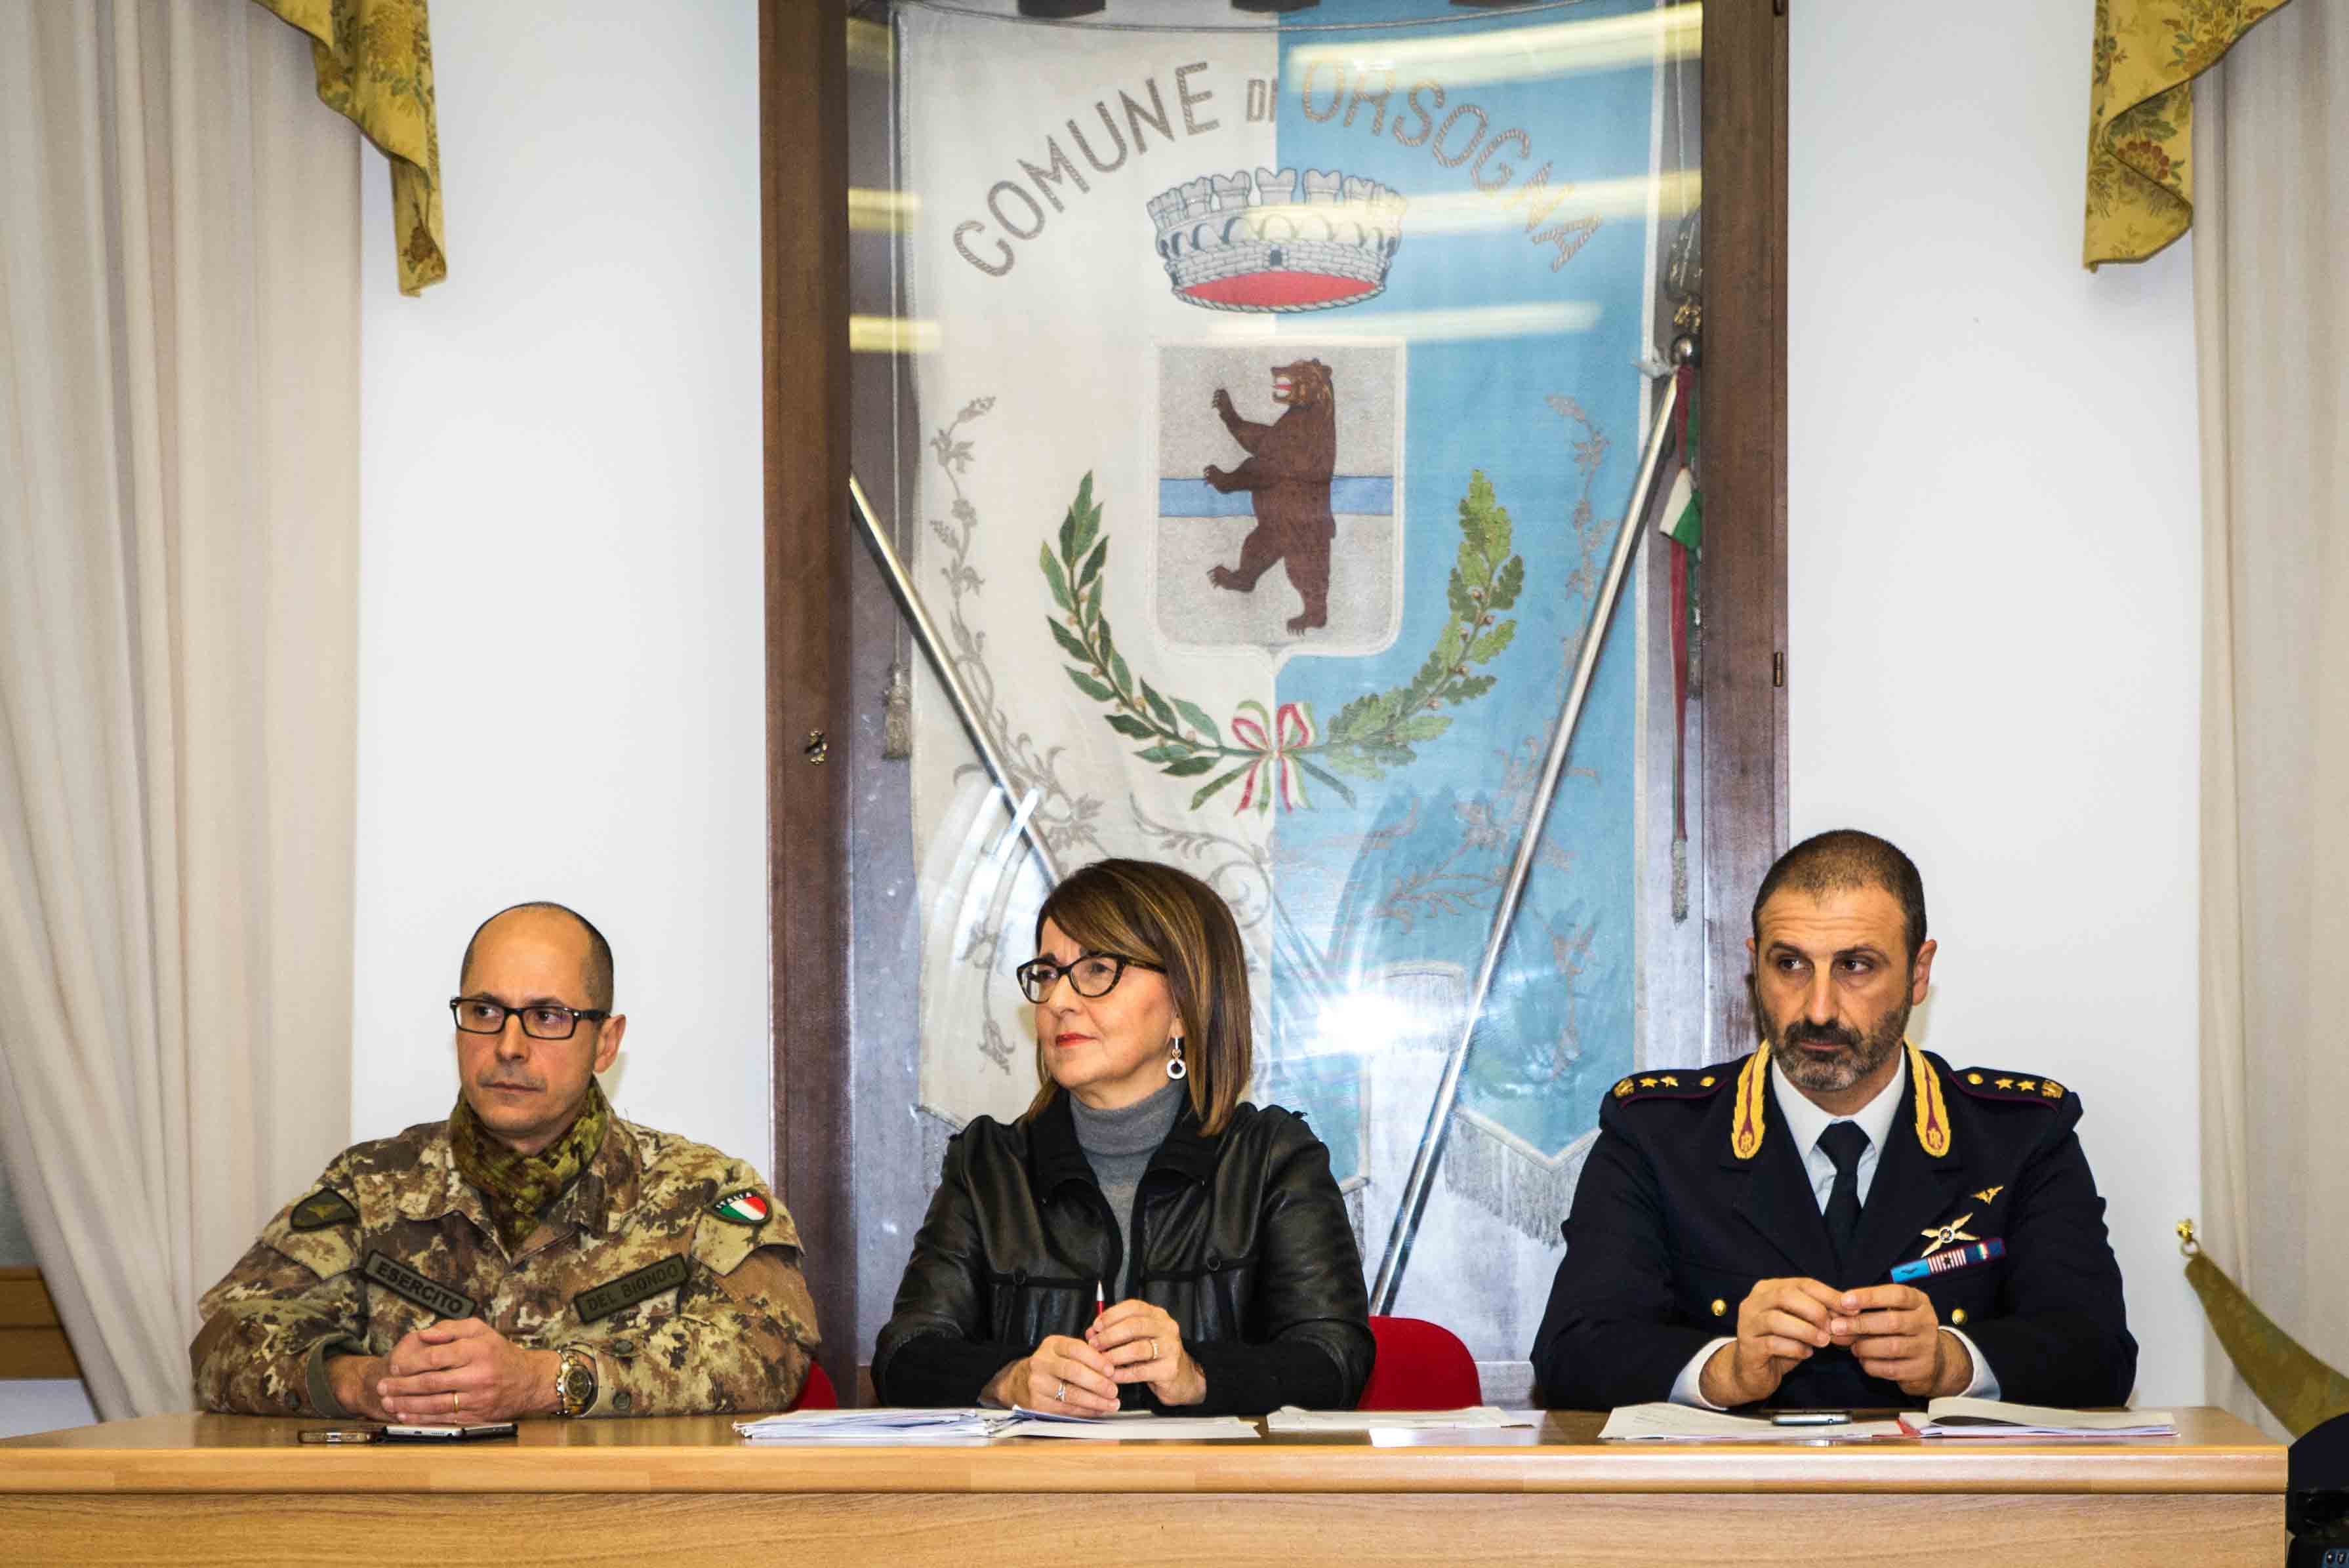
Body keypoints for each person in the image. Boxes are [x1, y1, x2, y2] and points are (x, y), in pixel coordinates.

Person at [1533, 830, 2136, 1411]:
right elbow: (1572, 1353)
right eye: (1790, 964)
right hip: (1733, 1483)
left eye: (1855, 965)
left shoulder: (2018, 1135)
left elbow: (2098, 1352)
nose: (1818, 1009)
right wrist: (1724, 1370)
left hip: (1940, 1484)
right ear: (1754, 965)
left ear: (1918, 972)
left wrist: (1952, 1363)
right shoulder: (1658, 1135)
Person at [192, 902, 818, 1420]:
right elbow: (227, 1336)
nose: (509, 1046)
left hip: (619, 1517)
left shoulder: (699, 1192)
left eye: (547, 1016)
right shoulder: (371, 1187)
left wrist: (549, 1380)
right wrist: (364, 1382)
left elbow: (768, 1351)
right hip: (414, 1514)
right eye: (485, 1012)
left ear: (605, 1042)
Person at [874, 858, 1374, 1415]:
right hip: (1037, 1474)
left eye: (1096, 969)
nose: (1059, 1000)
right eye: (1048, 973)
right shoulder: (988, 1164)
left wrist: (1199, 1375)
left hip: (1217, 1476)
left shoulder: (1272, 1158)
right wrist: (1009, 1379)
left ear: (1183, 1004)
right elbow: (905, 1356)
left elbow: (1334, 1359)